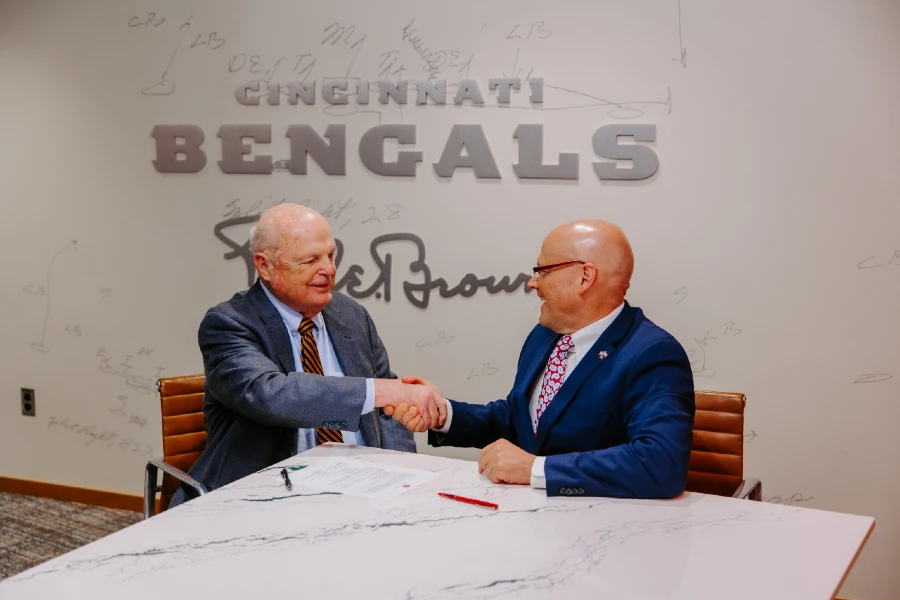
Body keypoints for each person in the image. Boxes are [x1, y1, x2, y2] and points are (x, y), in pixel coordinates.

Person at [387, 220, 694, 498]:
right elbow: (518, 419)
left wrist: (537, 469)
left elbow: (660, 463)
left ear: (585, 277)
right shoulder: (544, 336)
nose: (533, 283)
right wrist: (445, 415)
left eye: (543, 271)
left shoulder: (653, 353)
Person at [170, 204, 446, 507]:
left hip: (361, 486)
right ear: (265, 266)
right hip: (264, 495)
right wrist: (386, 390)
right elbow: (271, 395)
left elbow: (387, 414)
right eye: (310, 260)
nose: (328, 269)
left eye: (330, 255)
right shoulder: (229, 323)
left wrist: (401, 475)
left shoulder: (351, 315)